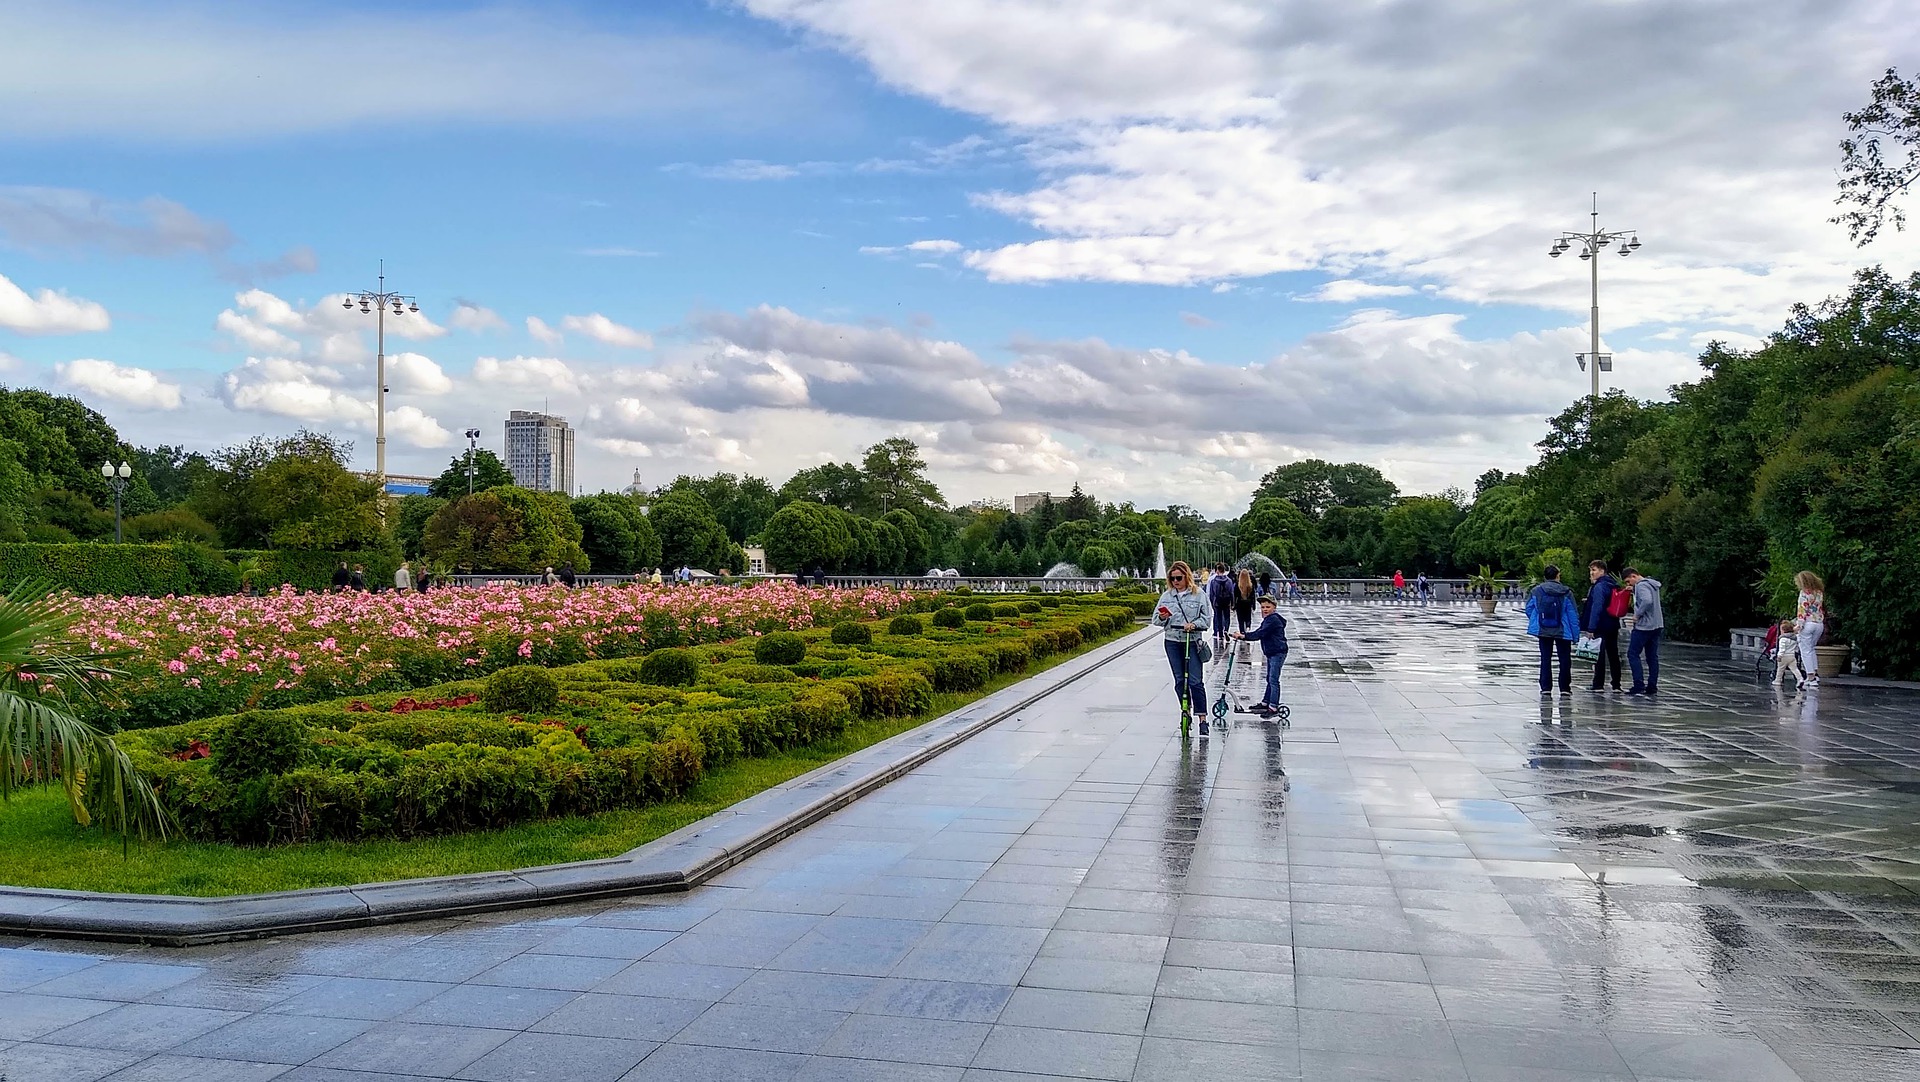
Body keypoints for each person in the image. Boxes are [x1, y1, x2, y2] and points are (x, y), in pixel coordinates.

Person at [1153, 560, 1212, 735]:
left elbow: (1206, 619)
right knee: (1179, 680)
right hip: (1172, 641)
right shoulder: (1167, 596)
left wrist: (1194, 624)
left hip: (1192, 641)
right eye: (1172, 579)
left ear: (1187, 577)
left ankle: (1202, 718)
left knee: (1195, 681)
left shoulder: (1199, 595)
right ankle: (1185, 709)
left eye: (1179, 578)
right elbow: (1155, 619)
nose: (1176, 582)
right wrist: (1163, 617)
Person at [1526, 564, 1581, 696]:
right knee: (1565, 659)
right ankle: (1565, 688)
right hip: (1563, 630)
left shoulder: (1536, 591)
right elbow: (1573, 615)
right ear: (1558, 576)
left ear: (1545, 576)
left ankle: (1545, 687)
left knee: (1545, 658)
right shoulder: (1566, 592)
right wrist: (1575, 635)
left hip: (1543, 629)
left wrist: (1537, 619)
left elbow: (1528, 609)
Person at [1230, 594, 1288, 715]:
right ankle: (1266, 702)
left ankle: (1273, 707)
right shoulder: (1268, 620)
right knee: (1270, 678)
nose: (1265, 609)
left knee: (1273, 679)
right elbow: (1258, 632)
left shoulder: (1273, 620)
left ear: (1274, 607)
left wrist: (1244, 636)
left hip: (1278, 652)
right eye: (1262, 607)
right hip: (1272, 652)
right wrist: (1244, 635)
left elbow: (1260, 634)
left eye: (1268, 607)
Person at [1583, 560, 1623, 691]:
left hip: (1601, 624)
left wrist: (1591, 627)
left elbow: (1597, 607)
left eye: (1594, 570)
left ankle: (1598, 684)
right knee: (1613, 654)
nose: (1591, 573)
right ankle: (1616, 684)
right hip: (1612, 623)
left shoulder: (1599, 587)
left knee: (1599, 655)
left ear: (1602, 571)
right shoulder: (1613, 584)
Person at [1623, 567, 1664, 695]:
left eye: (1629, 581)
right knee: (1652, 657)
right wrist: (1633, 590)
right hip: (1657, 624)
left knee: (1633, 654)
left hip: (1644, 626)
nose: (1629, 584)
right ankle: (1652, 686)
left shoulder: (1641, 586)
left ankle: (1638, 684)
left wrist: (1637, 615)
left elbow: (1647, 601)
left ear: (1634, 576)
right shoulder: (1652, 584)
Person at [1794, 571, 1826, 689]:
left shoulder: (1804, 593)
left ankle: (1810, 677)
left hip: (1808, 623)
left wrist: (1799, 625)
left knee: (1805, 650)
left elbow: (1802, 610)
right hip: (1818, 623)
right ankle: (1815, 673)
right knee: (1812, 648)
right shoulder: (1819, 592)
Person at [1774, 617, 1809, 687]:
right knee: (1795, 669)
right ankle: (1800, 679)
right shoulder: (1794, 638)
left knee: (1780, 669)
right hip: (1792, 656)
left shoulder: (1783, 639)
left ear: (1783, 630)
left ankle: (1777, 680)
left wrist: (1779, 656)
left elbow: (1782, 649)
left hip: (1784, 657)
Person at [1206, 563, 1235, 640]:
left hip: (1217, 602)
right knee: (1227, 617)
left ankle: (1221, 634)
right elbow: (1231, 592)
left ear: (1217, 571)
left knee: (1218, 617)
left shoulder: (1213, 581)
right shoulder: (1229, 580)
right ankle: (1226, 630)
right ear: (1224, 570)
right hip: (1226, 601)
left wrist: (1212, 603)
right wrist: (1232, 603)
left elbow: (1212, 593)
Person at [1233, 568, 1257, 633]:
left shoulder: (1238, 585)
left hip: (1240, 603)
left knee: (1240, 619)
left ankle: (1242, 631)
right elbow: (1253, 596)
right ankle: (1248, 626)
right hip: (1248, 603)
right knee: (1248, 617)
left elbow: (1235, 595)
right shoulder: (1250, 585)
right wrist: (1253, 605)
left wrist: (1234, 605)